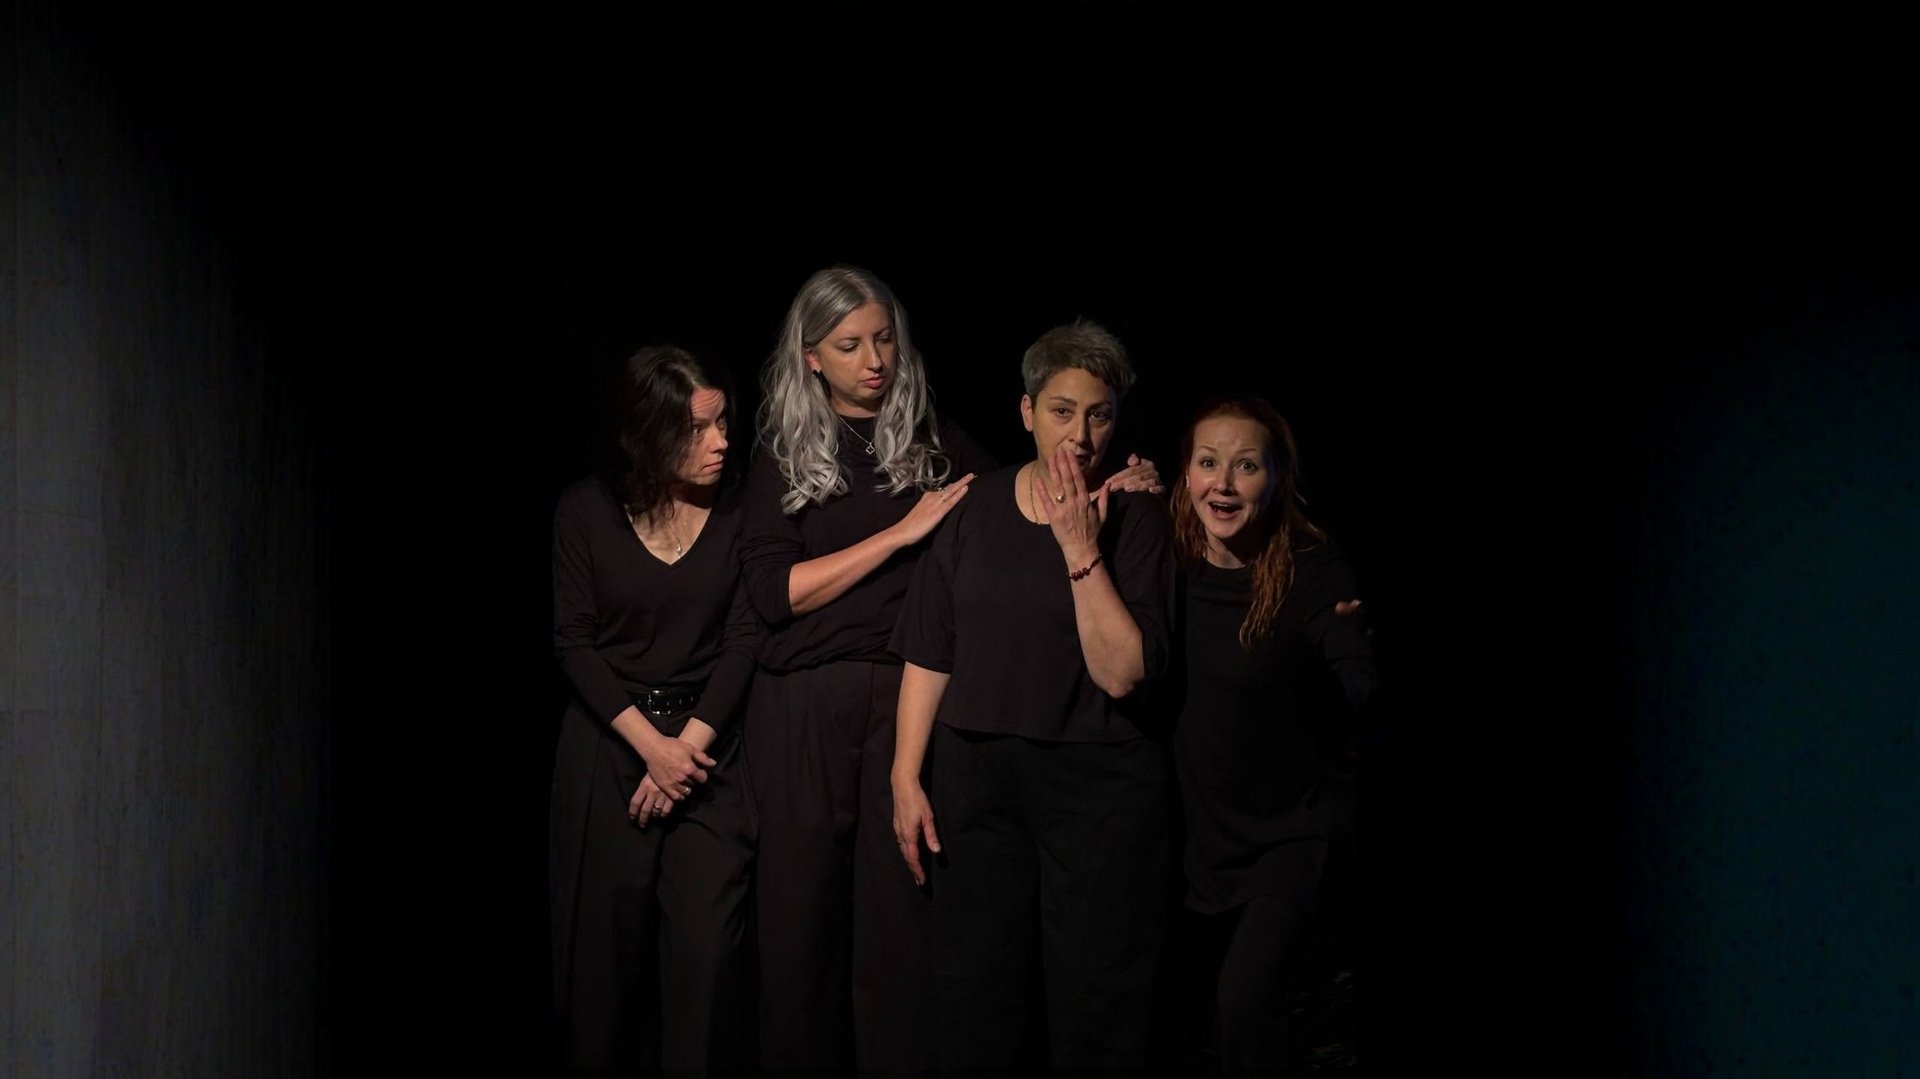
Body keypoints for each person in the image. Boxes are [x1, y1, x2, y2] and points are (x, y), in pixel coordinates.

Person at [738, 267, 1162, 1072]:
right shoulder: (784, 451)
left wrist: (1119, 482)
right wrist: (901, 534)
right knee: (800, 918)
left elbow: (1023, 497)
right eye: (851, 345)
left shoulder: (930, 438)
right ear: (811, 356)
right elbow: (771, 594)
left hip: (906, 688)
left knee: (904, 922)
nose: (875, 360)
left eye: (884, 339)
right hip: (810, 699)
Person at [890, 319, 1177, 1070]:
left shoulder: (1137, 516)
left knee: (1096, 998)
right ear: (1027, 411)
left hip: (1097, 785)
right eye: (1061, 411)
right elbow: (931, 649)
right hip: (978, 778)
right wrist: (905, 774)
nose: (1080, 436)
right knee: (973, 991)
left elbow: (1122, 672)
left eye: (1099, 415)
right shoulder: (975, 508)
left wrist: (1080, 547)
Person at [548, 345, 761, 1075]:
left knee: (708, 958)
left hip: (707, 749)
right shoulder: (585, 510)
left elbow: (744, 639)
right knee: (601, 971)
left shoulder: (739, 509)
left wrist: (683, 752)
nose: (720, 441)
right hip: (612, 746)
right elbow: (574, 643)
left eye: (723, 422)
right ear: (649, 433)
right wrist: (652, 750)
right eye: (698, 429)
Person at [1167, 395, 1377, 1074]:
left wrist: (1352, 655)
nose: (1223, 484)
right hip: (1198, 839)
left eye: (1246, 466)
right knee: (1204, 1023)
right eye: (1208, 463)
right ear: (1186, 473)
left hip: (1290, 830)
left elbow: (1349, 662)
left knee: (1243, 1002)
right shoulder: (1166, 561)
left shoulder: (1310, 567)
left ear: (1277, 478)